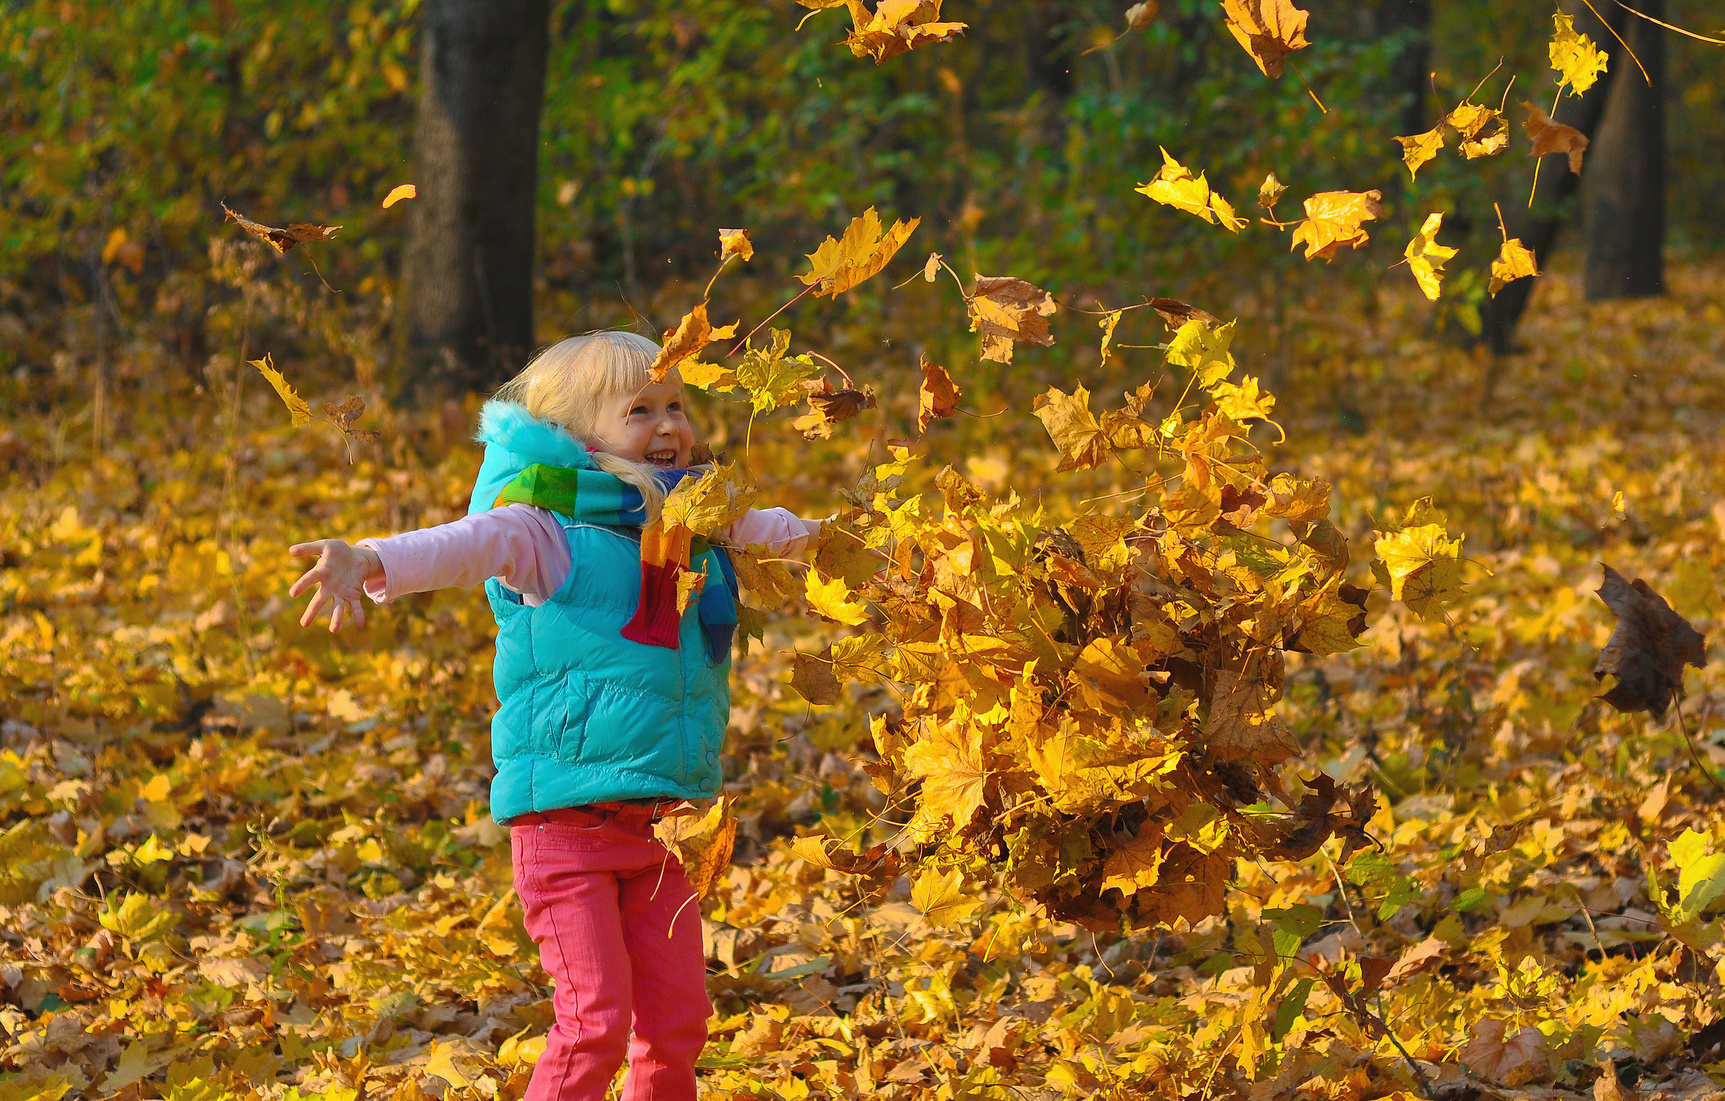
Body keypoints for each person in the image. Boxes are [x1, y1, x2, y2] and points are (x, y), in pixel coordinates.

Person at [286, 330, 820, 1101]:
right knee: (595, 1019)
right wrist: (368, 558)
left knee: (678, 1021)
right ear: (580, 434)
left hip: (666, 819)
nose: (668, 425)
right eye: (640, 409)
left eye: (677, 404)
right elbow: (460, 545)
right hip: (565, 824)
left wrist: (877, 552)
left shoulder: (695, 517)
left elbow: (783, 531)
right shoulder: (545, 527)